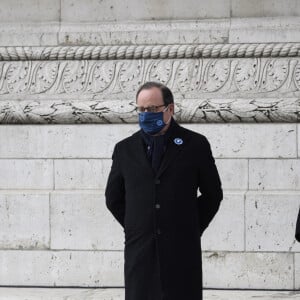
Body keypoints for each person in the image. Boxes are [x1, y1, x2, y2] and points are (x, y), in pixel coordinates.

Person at [105, 81, 223, 300]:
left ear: (170, 108)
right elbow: (113, 198)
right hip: (140, 250)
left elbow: (213, 194)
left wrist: (191, 226)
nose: (146, 114)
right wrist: (137, 226)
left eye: (153, 109)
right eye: (142, 109)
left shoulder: (195, 144)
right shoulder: (125, 149)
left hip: (181, 249)